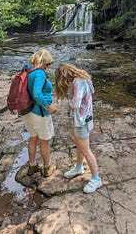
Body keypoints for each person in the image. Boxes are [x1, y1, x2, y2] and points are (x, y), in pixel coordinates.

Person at [54, 63, 103, 194]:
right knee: (80, 146)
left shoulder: (77, 82)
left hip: (81, 120)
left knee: (86, 150)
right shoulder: (84, 78)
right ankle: (79, 167)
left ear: (64, 75)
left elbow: (75, 104)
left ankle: (96, 178)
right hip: (84, 117)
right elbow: (91, 92)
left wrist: (68, 99)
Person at [24, 49, 57, 177]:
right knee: (44, 141)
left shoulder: (28, 71)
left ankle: (32, 166)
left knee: (33, 138)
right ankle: (47, 168)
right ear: (42, 61)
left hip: (28, 111)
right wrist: (48, 107)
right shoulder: (39, 73)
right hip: (40, 113)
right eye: (47, 64)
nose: (48, 67)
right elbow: (37, 93)